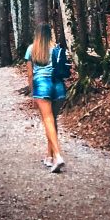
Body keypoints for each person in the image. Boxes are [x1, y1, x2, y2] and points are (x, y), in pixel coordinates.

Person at [25, 22, 66, 173]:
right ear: (50, 34)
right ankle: (49, 157)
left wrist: (32, 92)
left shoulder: (31, 49)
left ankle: (58, 156)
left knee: (47, 120)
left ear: (37, 34)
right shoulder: (56, 48)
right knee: (52, 121)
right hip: (59, 86)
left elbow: (30, 74)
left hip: (42, 86)